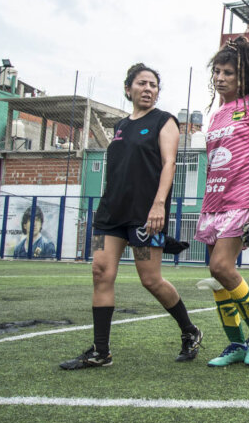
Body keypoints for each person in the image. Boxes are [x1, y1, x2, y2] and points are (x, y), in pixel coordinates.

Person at [60, 64, 201, 370]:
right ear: (129, 89)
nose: (148, 88)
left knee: (149, 279)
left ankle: (190, 331)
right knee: (100, 271)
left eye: (153, 84)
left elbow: (169, 164)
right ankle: (101, 351)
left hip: (143, 217)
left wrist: (159, 205)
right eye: (142, 83)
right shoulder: (121, 126)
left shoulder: (165, 122)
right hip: (110, 214)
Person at [195, 37, 249, 368]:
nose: (220, 78)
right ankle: (235, 344)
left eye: (228, 72)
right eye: (217, 71)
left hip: (241, 202)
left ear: (243, 77)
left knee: (221, 267)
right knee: (216, 279)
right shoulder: (215, 116)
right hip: (213, 203)